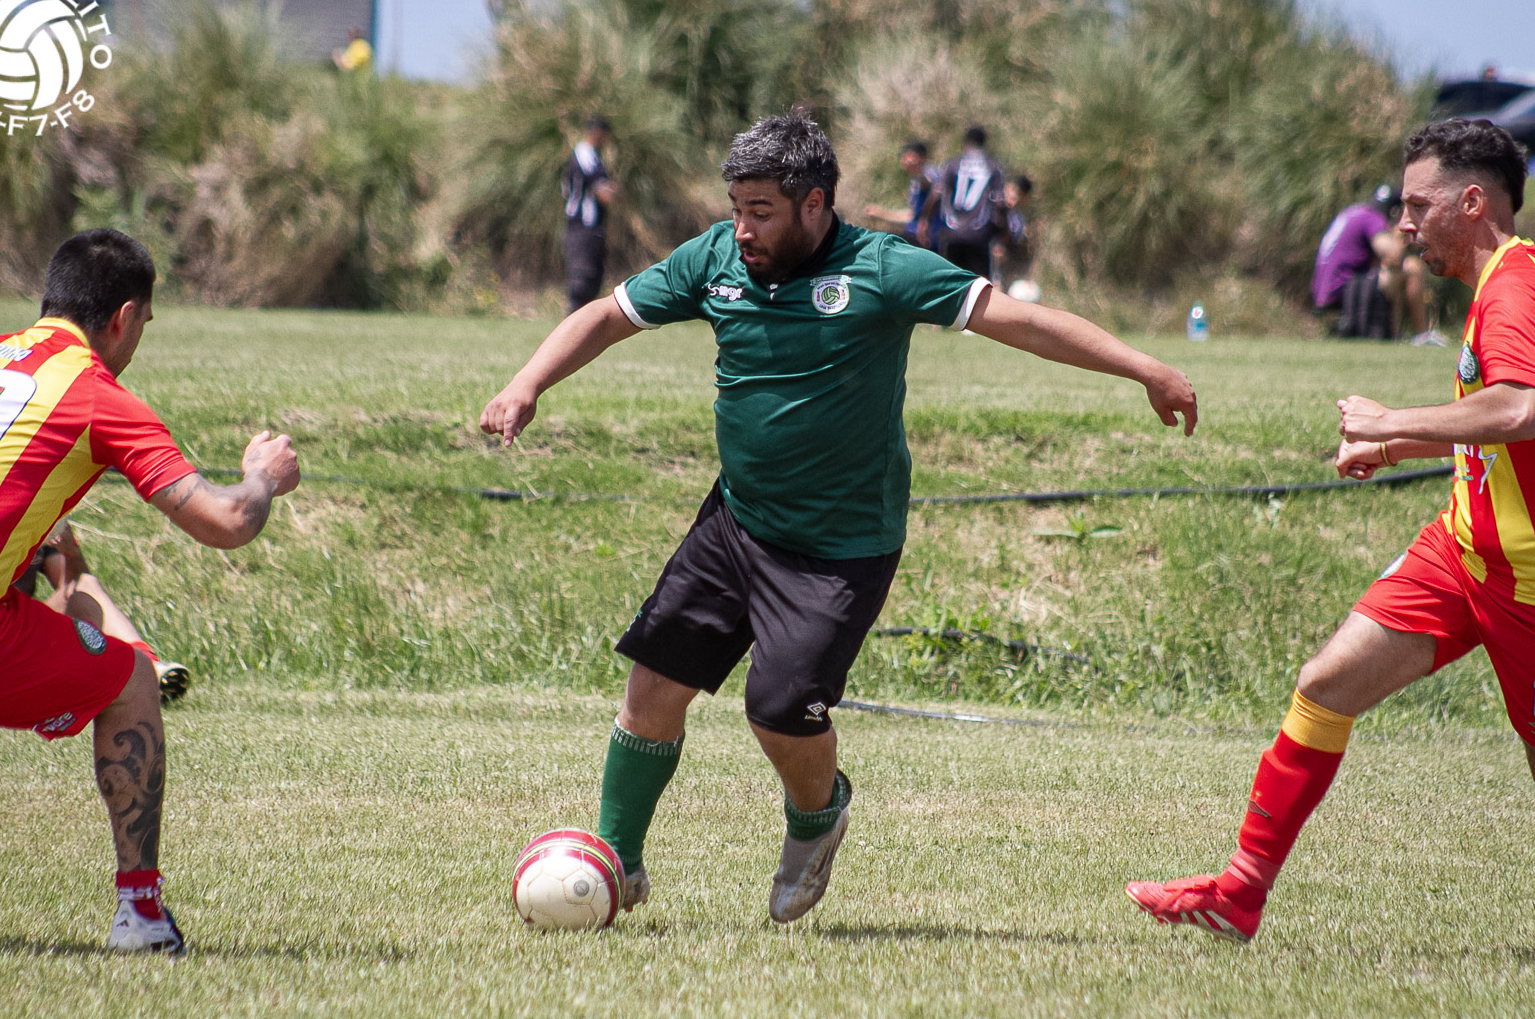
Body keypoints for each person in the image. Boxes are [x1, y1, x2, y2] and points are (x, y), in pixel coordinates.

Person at [482, 113, 1197, 924]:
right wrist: (528, 383)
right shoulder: (715, 259)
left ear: (815, 203)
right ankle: (619, 861)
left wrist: (1145, 368)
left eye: (761, 212)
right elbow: (608, 315)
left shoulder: (883, 268)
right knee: (652, 687)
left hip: (839, 547)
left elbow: (1021, 321)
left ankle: (817, 817)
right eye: (736, 209)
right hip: (737, 520)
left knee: (779, 710)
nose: (742, 229)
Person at [1127, 118, 1532, 944]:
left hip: (1524, 580)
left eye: (1418, 206)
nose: (1404, 225)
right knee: (1325, 685)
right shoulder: (1496, 284)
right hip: (1464, 551)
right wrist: (1393, 446)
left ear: (1472, 201)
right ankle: (1238, 895)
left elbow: (1522, 408)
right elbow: (1491, 425)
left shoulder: (1516, 285)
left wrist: (1391, 419)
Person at [0, 229, 302, 952]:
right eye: (145, 324)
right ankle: (141, 915)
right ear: (124, 317)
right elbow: (226, 521)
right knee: (130, 679)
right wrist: (262, 476)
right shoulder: (96, 395)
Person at [12, 520, 191, 704]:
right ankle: (133, 671)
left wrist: (72, 554)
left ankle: (146, 664)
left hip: (25, 631)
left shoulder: (39, 517)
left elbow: (76, 586)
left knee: (85, 585)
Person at [1312, 184, 1438, 344]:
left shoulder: (1352, 212)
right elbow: (1394, 255)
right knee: (1412, 267)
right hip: (1346, 289)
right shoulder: (1371, 217)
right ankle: (1421, 335)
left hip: (1326, 291)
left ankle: (1396, 335)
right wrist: (1397, 236)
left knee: (1395, 271)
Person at [922, 125, 1006, 278]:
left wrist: (925, 220)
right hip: (979, 233)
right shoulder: (994, 167)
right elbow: (999, 203)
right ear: (984, 143)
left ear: (965, 142)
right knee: (981, 282)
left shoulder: (952, 163)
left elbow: (936, 194)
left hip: (952, 231)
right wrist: (1003, 232)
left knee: (952, 280)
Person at [561, 115, 620, 317]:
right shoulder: (584, 154)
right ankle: (572, 327)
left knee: (593, 281)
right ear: (597, 133)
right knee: (581, 282)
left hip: (593, 227)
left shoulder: (593, 155)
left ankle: (583, 327)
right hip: (582, 227)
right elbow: (604, 194)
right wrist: (612, 191)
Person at [863, 141, 940, 249]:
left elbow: (936, 189)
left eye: (910, 155)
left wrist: (925, 218)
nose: (905, 160)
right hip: (913, 234)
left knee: (878, 243)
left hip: (928, 237)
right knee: (873, 238)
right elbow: (911, 215)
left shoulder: (928, 172)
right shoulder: (915, 180)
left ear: (922, 158)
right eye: (904, 156)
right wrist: (882, 214)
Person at [993, 174, 1034, 291]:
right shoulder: (989, 205)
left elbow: (1008, 247)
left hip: (995, 268)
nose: (1014, 196)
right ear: (1006, 186)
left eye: (1020, 194)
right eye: (1013, 189)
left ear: (1025, 198)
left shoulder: (1018, 222)